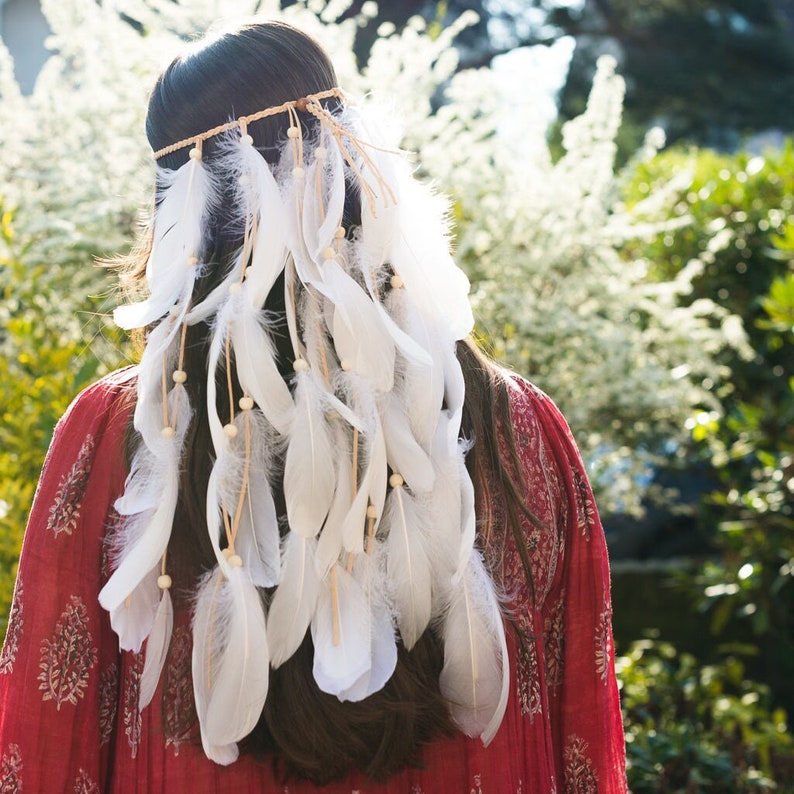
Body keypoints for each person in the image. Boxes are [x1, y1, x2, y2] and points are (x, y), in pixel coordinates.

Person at [0, 19, 627, 793]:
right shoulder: (520, 426)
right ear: (352, 166)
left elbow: (46, 738)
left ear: (178, 211)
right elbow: (579, 732)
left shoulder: (116, 434)